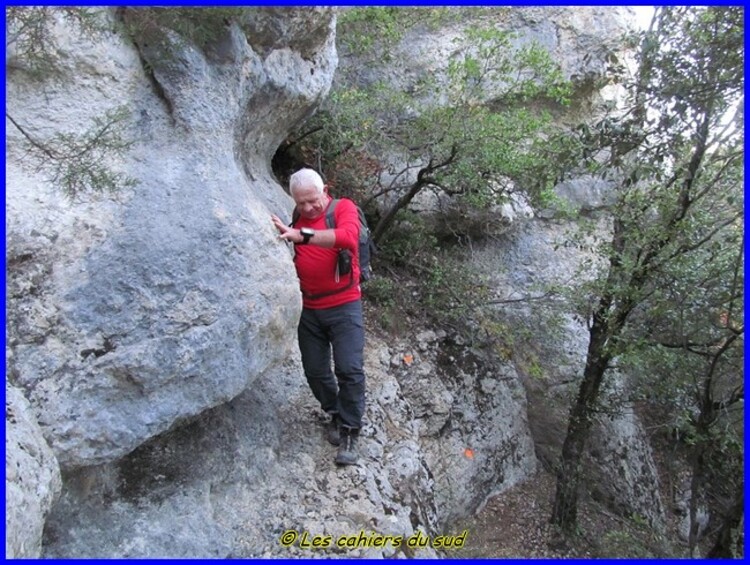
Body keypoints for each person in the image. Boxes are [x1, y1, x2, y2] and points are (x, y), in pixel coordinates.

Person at [271, 168, 366, 466]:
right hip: (309, 309)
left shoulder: (343, 208)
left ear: (325, 189)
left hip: (345, 305)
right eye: (301, 203)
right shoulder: (297, 216)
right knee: (315, 371)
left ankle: (350, 429)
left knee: (349, 369)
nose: (308, 208)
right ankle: (336, 413)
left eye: (312, 200)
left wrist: (303, 235)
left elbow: (349, 238)